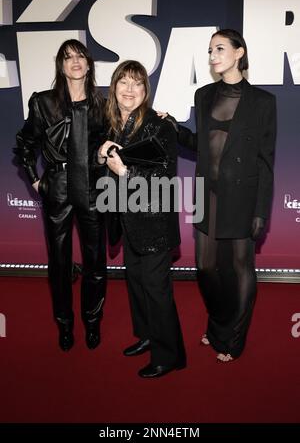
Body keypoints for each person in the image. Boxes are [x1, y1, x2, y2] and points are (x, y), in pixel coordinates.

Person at [172, 29, 277, 362]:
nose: (213, 55)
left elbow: (265, 160)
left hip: (242, 196)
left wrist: (261, 209)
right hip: (208, 193)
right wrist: (174, 127)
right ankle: (218, 323)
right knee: (205, 268)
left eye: (220, 48)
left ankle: (233, 338)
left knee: (241, 267)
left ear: (239, 53)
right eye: (210, 50)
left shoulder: (262, 101)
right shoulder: (203, 95)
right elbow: (202, 144)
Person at [14, 39, 107, 351]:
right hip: (58, 186)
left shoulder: (102, 105)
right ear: (61, 66)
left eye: (80, 56)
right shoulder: (43, 102)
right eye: (68, 58)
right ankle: (65, 325)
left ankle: (92, 323)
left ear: (89, 63)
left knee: (95, 262)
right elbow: (25, 143)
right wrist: (34, 179)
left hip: (93, 187)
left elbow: (119, 140)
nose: (75, 62)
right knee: (59, 262)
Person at [98, 60, 186, 378]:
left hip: (154, 221)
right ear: (114, 87)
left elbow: (164, 175)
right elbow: (102, 167)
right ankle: (148, 336)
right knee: (136, 283)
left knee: (156, 287)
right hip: (128, 221)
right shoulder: (112, 125)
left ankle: (171, 355)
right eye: (124, 82)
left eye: (137, 83)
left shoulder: (157, 125)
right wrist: (100, 156)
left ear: (145, 91)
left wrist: (122, 171)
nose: (130, 89)